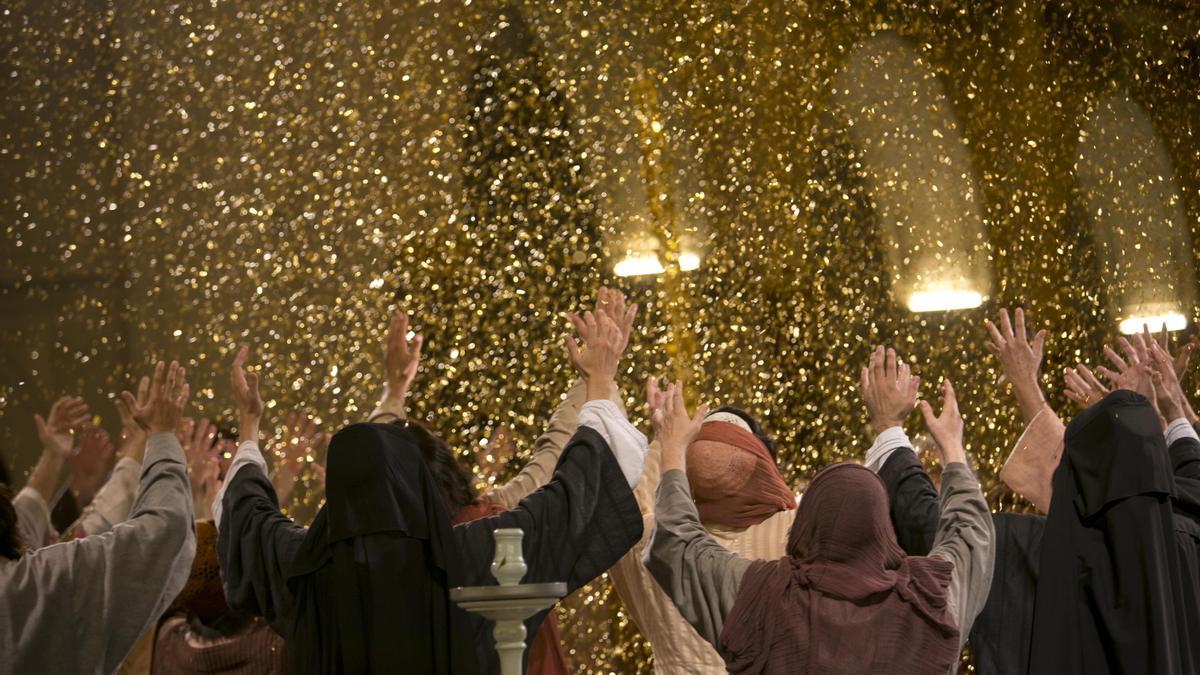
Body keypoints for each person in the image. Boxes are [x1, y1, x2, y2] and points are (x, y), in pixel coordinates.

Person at [215, 303, 646, 674]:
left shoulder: (303, 567)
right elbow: (574, 492)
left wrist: (250, 425)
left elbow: (247, 516)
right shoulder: (472, 553)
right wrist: (599, 378)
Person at [644, 358, 994, 674]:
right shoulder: (929, 600)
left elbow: (675, 541)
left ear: (804, 526)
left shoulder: (764, 597)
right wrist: (951, 448)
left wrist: (672, 449)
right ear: (884, 530)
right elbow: (971, 534)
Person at [363, 288, 636, 674]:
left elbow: (378, 468)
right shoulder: (493, 527)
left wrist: (392, 394)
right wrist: (598, 374)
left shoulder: (364, 558)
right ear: (450, 471)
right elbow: (559, 452)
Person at [0, 361, 197, 674]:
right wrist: (161, 438)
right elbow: (162, 532)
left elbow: (29, 516)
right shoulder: (32, 589)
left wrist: (53, 456)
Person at [607, 351, 798, 672]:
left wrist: (665, 442)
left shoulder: (650, 538)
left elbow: (638, 502)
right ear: (766, 465)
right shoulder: (800, 532)